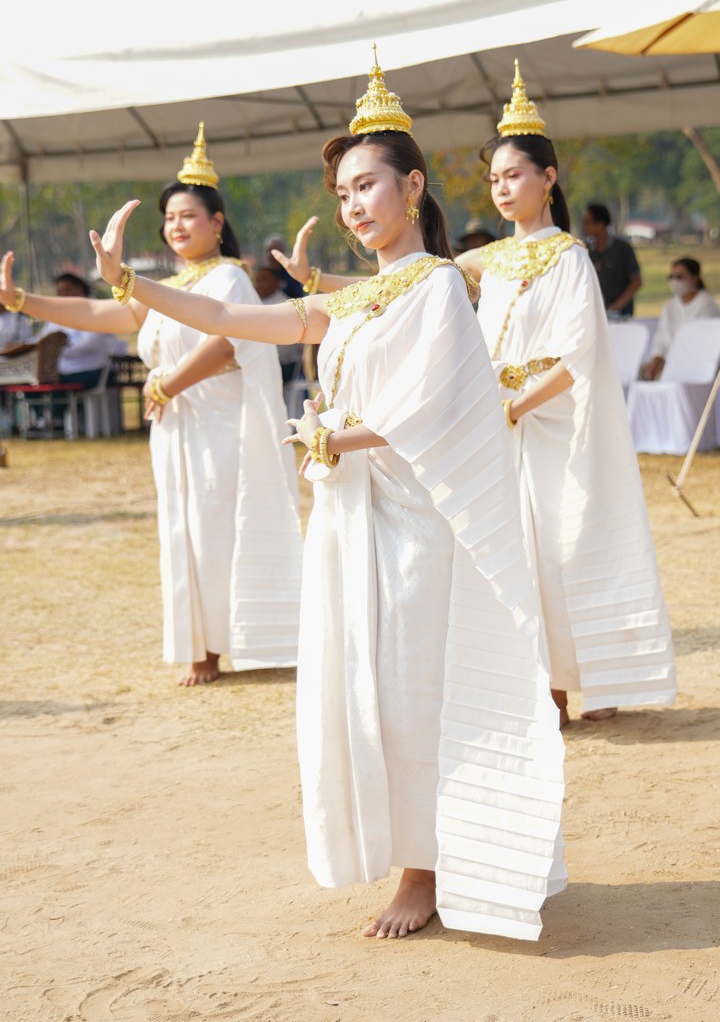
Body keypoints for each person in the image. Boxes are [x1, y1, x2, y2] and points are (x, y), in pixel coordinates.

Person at [88, 54, 567, 943]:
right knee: (364, 687)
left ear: (412, 187)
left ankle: (426, 870)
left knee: (412, 686)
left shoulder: (436, 286)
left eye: (367, 186)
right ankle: (412, 851)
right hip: (353, 520)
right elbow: (228, 321)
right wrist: (128, 282)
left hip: (418, 522)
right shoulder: (353, 300)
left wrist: (328, 439)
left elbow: (430, 408)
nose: (353, 206)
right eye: (343, 192)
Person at [0, 123, 302, 687]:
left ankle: (228, 643)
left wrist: (167, 385)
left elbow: (227, 341)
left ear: (217, 223)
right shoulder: (169, 285)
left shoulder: (229, 280)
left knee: (215, 528)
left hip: (218, 423)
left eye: (188, 215)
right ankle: (201, 645)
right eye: (169, 218)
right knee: (183, 529)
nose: (176, 226)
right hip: (176, 427)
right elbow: (103, 314)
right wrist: (20, 299)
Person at [458, 61, 677, 728]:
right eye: (494, 180)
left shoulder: (570, 257)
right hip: (503, 429)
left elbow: (576, 357)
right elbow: (409, 283)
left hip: (558, 428)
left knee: (567, 548)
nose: (502, 188)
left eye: (514, 175)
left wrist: (513, 406)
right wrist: (318, 283)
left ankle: (597, 678)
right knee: (513, 553)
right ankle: (543, 690)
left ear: (548, 178)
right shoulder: (489, 261)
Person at [642, 257, 719, 380]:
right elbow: (661, 340)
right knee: (640, 373)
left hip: (695, 365)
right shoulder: (670, 305)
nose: (674, 281)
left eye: (679, 277)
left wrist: (670, 365)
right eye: (671, 277)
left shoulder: (706, 304)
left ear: (694, 278)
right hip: (668, 362)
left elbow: (702, 345)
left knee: (662, 378)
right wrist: (655, 363)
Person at [45, 273, 117, 389]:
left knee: (52, 388)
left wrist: (57, 350)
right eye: (60, 292)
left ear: (79, 288)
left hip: (91, 370)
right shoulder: (58, 313)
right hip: (64, 371)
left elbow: (90, 344)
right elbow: (43, 337)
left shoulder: (94, 310)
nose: (64, 295)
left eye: (67, 290)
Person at [581, 203, 642, 316]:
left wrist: (617, 305)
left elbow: (636, 280)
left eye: (588, 222)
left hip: (621, 313)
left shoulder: (622, 248)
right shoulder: (586, 250)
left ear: (600, 224)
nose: (584, 227)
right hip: (594, 312)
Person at [254, 265, 303, 384]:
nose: (259, 284)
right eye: (257, 280)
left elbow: (285, 350)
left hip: (282, 365)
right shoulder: (254, 303)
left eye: (264, 280)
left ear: (277, 282)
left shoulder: (286, 306)